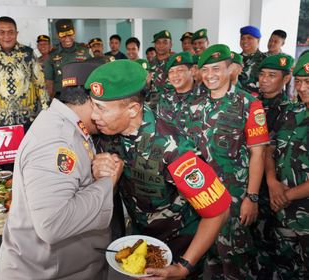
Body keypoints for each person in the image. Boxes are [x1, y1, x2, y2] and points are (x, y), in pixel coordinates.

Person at [87, 60, 231, 279]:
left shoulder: (173, 148)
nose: (94, 116)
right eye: (93, 105)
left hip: (179, 247)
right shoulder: (106, 133)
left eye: (101, 108)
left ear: (133, 109)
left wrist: (184, 267)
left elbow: (219, 211)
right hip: (139, 240)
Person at [0, 61, 124, 279]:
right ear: (95, 99)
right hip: (48, 272)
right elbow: (53, 223)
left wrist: (92, 177)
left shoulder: (70, 125)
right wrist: (107, 183)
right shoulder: (56, 140)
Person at [187, 44, 270, 279]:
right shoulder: (195, 104)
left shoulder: (249, 104)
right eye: (205, 70)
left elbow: (258, 154)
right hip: (201, 195)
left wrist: (251, 197)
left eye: (216, 69)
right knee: (209, 257)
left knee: (234, 260)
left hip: (233, 199)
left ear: (230, 69)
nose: (210, 75)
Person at [264, 51, 309, 279]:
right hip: (281, 210)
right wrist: (272, 182)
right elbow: (270, 149)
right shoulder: (291, 112)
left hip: (304, 215)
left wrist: (288, 194)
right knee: (282, 267)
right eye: (299, 81)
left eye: (308, 82)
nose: (301, 88)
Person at [254, 53, 294, 278]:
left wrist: (272, 183)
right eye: (262, 74)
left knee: (276, 244)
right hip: (250, 184)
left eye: (272, 75)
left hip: (275, 187)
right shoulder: (251, 103)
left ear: (286, 78)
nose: (264, 80)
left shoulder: (291, 111)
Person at [0, 16, 49, 130]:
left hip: (28, 118)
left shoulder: (28, 53)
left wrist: (45, 110)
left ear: (16, 33)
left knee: (30, 148)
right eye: (2, 32)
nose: (6, 36)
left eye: (10, 32)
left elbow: (40, 84)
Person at [157, 51, 205, 130]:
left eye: (180, 70)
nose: (175, 75)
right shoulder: (164, 98)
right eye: (171, 71)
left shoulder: (205, 98)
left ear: (192, 71)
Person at [44, 19, 91, 98]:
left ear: (74, 32)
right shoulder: (52, 55)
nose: (67, 38)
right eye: (63, 35)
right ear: (58, 35)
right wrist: (50, 102)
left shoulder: (86, 51)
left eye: (69, 34)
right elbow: (49, 82)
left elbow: (92, 75)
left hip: (83, 95)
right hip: (61, 97)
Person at [148, 30, 173, 113]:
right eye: (158, 42)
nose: (161, 45)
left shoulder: (176, 63)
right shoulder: (150, 65)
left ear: (170, 44)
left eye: (165, 42)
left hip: (173, 108)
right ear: (155, 45)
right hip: (154, 108)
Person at [239, 25, 267, 93]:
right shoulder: (234, 60)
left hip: (259, 101)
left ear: (258, 40)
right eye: (243, 38)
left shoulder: (266, 60)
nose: (245, 41)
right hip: (236, 101)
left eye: (249, 38)